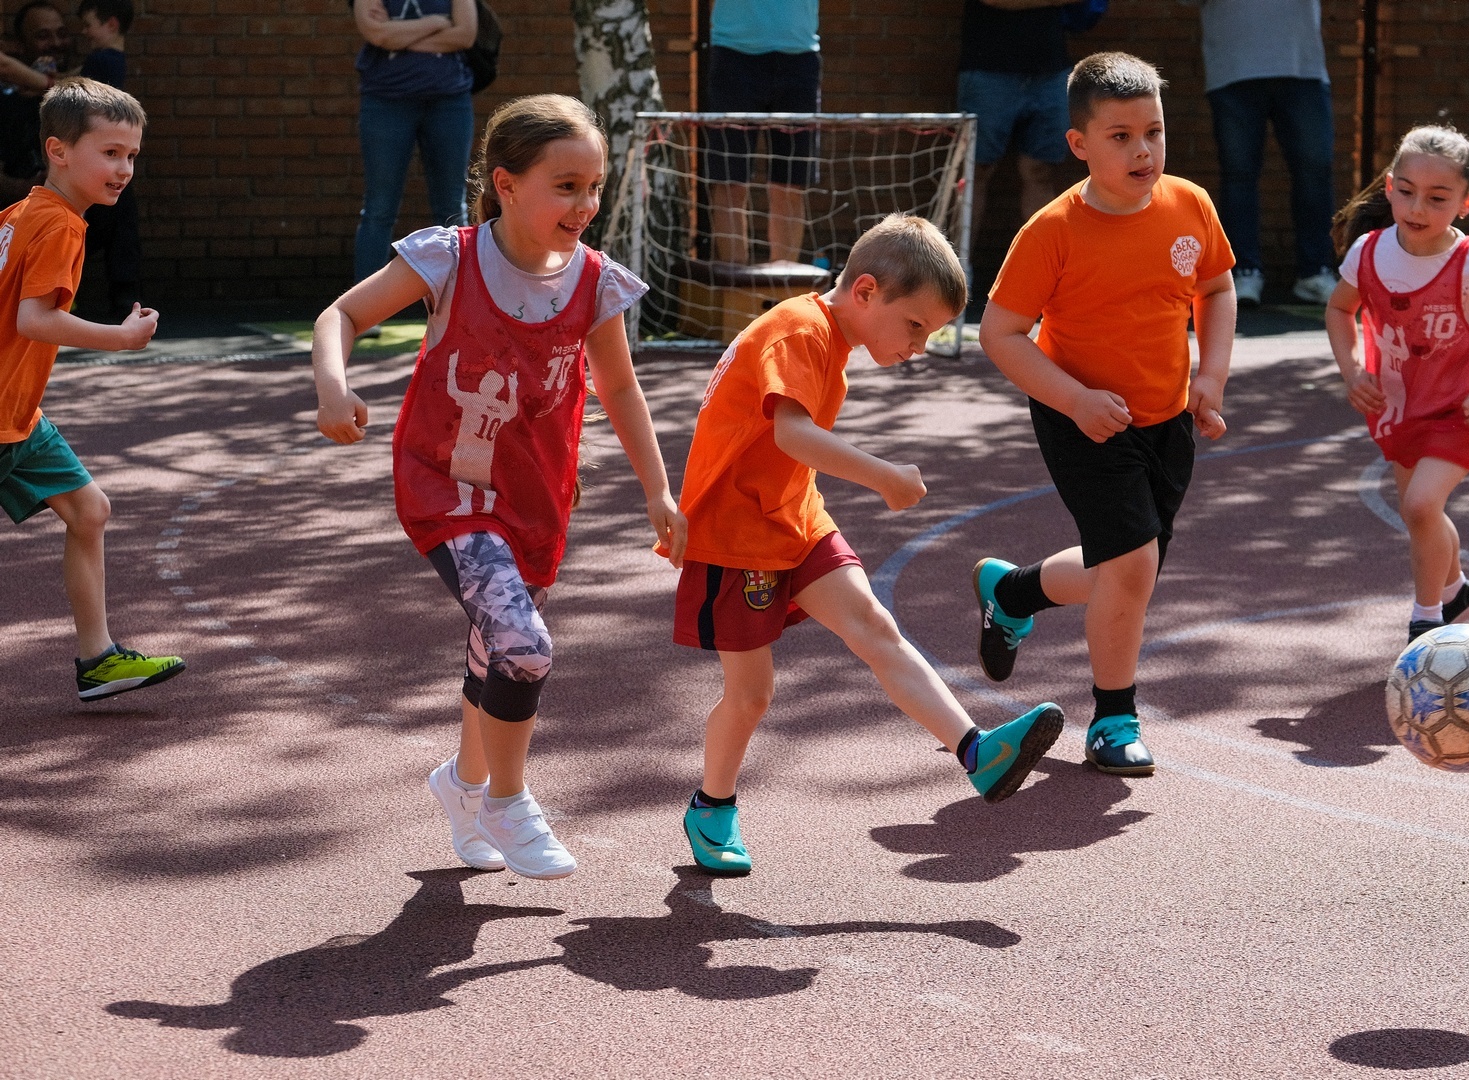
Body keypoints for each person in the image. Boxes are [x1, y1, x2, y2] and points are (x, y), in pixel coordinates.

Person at [311, 95, 686, 880]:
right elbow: (340, 316)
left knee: (495, 650)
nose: (585, 205)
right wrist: (334, 387)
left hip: (536, 496)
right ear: (506, 185)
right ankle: (510, 802)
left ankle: (465, 784)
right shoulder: (448, 258)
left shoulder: (594, 282)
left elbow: (619, 389)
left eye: (594, 187)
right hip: (445, 487)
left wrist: (659, 490)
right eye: (566, 186)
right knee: (524, 644)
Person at [667, 213, 1065, 877]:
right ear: (866, 292)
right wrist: (883, 476)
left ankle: (978, 753)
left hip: (794, 518)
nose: (918, 346)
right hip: (735, 535)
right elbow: (792, 435)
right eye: (915, 326)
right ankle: (712, 805)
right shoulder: (799, 331)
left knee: (875, 626)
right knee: (751, 695)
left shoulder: (830, 340)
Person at [973, 52, 1236, 777]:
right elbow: (1001, 333)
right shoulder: (1052, 231)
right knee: (1133, 564)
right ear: (1079, 144)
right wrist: (1074, 399)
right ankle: (1113, 719)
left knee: (1125, 573)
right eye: (1120, 136)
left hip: (1166, 420)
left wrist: (1211, 376)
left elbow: (1216, 289)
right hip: (1082, 421)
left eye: (1153, 132)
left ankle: (1012, 592)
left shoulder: (1190, 206)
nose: (1142, 150)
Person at [1, 77, 185, 700]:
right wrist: (122, 339)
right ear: (57, 151)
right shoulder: (60, 226)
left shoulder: (20, 214)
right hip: (4, 417)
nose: (124, 168)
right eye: (110, 153)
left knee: (89, 510)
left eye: (131, 155)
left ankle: (98, 659)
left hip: (19, 416)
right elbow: (35, 320)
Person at [1324, 126, 1469, 644]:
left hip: (1461, 409)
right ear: (1390, 187)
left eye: (1437, 198)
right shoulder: (1368, 252)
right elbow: (1339, 310)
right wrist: (1352, 371)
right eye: (1408, 192)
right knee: (1422, 514)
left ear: (1465, 203)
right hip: (1397, 407)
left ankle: (1426, 619)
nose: (1418, 208)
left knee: (1418, 505)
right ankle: (1455, 589)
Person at [1197, 0, 1337, 306]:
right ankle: (1244, 271)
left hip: (1302, 65)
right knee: (1239, 175)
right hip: (1233, 66)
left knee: (1314, 171)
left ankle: (1314, 272)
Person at [350, 0, 477, 284]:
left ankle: (463, 300)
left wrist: (399, 36)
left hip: (449, 102)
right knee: (379, 209)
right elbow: (378, 35)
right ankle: (364, 306)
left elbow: (466, 34)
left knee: (452, 207)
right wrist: (438, 22)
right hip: (386, 102)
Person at [703, 0, 819, 266]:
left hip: (799, 57)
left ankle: (783, 287)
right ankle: (735, 287)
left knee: (790, 184)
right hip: (732, 55)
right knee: (729, 180)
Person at [955, 0, 1071, 256]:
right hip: (987, 68)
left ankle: (1044, 270)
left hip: (1050, 68)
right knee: (974, 171)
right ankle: (957, 270)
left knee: (1040, 171)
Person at [73, 0, 141, 316]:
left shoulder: (100, 61)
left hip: (97, 153)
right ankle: (125, 295)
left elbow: (77, 95)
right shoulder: (113, 61)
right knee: (119, 226)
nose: (85, 32)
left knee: (94, 224)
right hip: (109, 151)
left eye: (89, 24)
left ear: (110, 24)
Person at [1, 0, 71, 206]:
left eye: (62, 34)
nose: (56, 43)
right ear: (20, 45)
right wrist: (27, 188)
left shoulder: (81, 96)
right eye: (43, 36)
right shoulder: (7, 102)